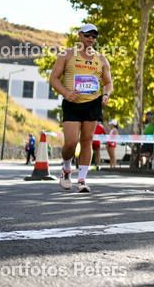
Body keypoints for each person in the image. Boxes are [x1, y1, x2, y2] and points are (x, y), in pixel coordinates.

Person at [48, 23, 112, 193]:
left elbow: (108, 83)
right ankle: (66, 168)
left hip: (92, 103)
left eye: (94, 35)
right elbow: (53, 78)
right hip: (72, 103)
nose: (91, 38)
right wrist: (65, 92)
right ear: (80, 35)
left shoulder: (102, 59)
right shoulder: (67, 54)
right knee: (70, 142)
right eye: (87, 35)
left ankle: (82, 179)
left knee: (87, 140)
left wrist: (106, 95)